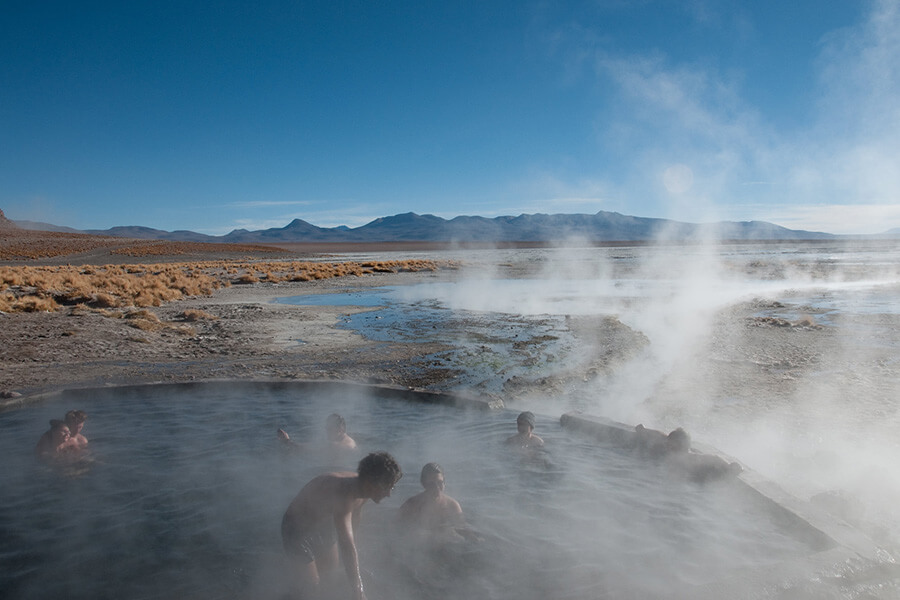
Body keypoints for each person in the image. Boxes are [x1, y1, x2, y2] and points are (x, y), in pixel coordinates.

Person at [281, 451, 402, 600]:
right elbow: (346, 544)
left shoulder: (364, 489)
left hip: (322, 526)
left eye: (392, 487)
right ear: (371, 482)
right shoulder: (345, 492)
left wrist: (354, 548)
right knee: (312, 587)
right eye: (387, 487)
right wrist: (359, 591)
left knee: (329, 578)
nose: (389, 494)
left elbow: (355, 518)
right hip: (297, 529)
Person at [398, 463, 464, 533]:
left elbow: (462, 528)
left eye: (440, 482)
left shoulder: (452, 505)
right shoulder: (411, 504)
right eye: (431, 484)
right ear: (423, 483)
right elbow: (396, 527)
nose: (436, 487)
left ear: (444, 483)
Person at [278, 413, 357, 452]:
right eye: (326, 428)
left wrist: (287, 441)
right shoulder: (343, 441)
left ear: (340, 429)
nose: (326, 431)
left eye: (329, 428)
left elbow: (309, 449)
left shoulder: (342, 446)